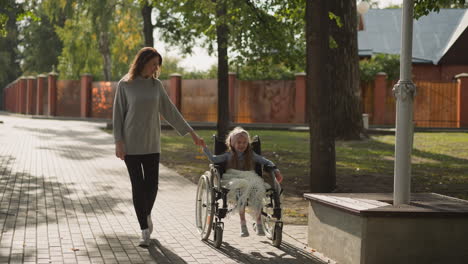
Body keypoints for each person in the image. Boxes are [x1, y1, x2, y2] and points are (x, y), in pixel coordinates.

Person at [113, 47, 203, 247]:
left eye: (157, 65)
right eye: (153, 63)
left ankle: (145, 215)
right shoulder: (125, 84)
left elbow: (171, 111)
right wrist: (118, 142)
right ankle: (144, 230)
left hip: (152, 143)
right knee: (138, 186)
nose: (156, 68)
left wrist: (192, 133)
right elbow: (118, 115)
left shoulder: (156, 86)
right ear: (143, 62)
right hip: (131, 145)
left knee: (152, 186)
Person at [200, 127, 283, 237]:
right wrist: (204, 147)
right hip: (233, 178)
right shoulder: (228, 155)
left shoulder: (251, 154)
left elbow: (265, 161)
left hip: (250, 177)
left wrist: (276, 170)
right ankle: (243, 223)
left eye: (244, 142)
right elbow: (214, 159)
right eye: (238, 142)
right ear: (232, 143)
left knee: (257, 188)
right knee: (240, 186)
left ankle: (259, 223)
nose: (242, 145)